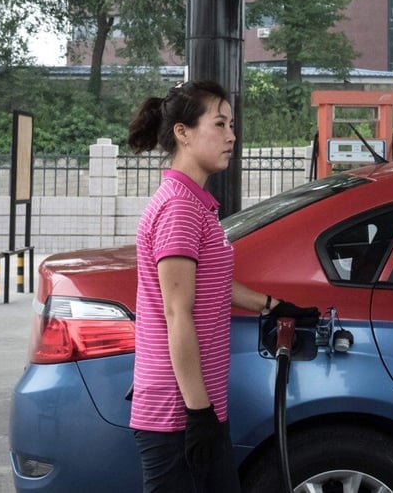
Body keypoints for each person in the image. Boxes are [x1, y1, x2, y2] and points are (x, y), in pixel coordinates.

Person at [126, 80, 318, 492]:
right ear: (183, 132)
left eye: (231, 124)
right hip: (178, 414)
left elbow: (213, 283)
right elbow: (178, 313)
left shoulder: (195, 203)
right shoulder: (179, 208)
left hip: (196, 406)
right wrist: (199, 414)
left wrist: (273, 305)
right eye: (219, 124)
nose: (231, 136)